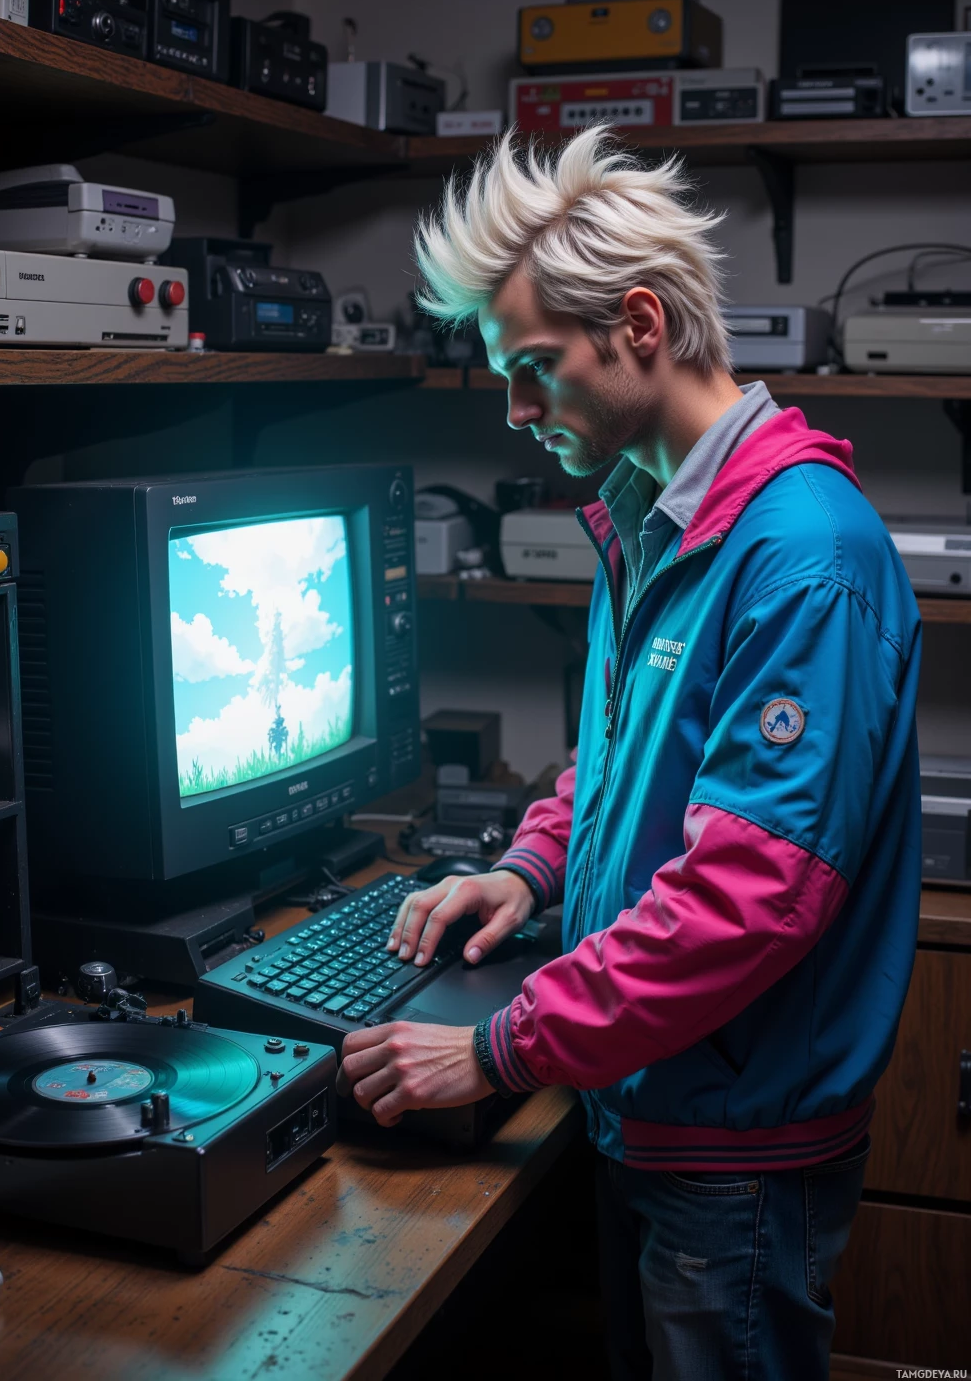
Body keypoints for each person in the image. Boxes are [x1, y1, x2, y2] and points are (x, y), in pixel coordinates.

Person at [337, 126, 922, 1380]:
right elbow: (616, 756)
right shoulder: (653, 516)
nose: (515, 411)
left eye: (533, 369)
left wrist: (496, 1050)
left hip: (736, 1151)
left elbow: (747, 899)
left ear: (640, 326)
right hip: (645, 1101)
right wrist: (534, 870)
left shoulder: (801, 555)